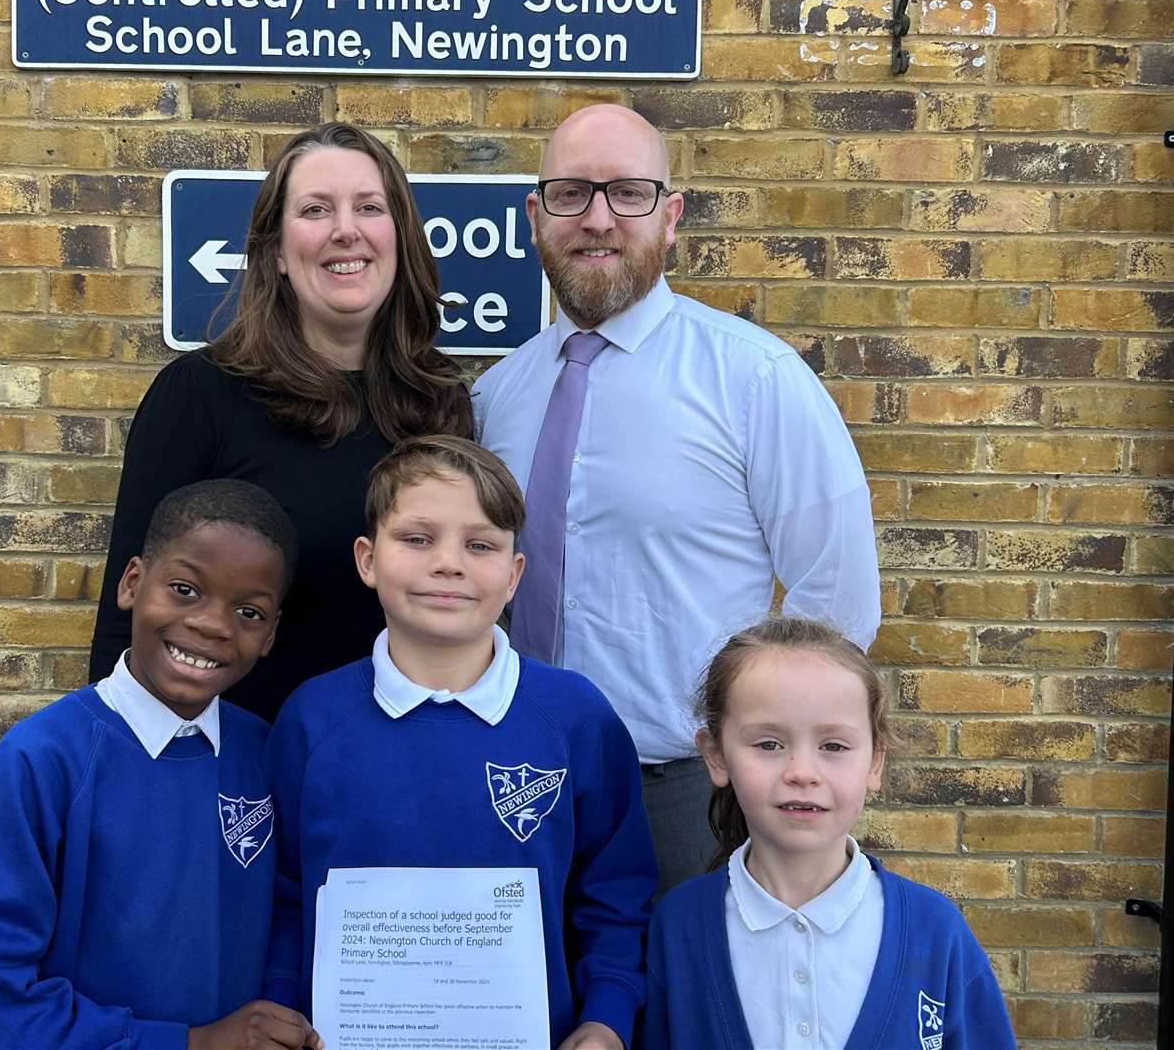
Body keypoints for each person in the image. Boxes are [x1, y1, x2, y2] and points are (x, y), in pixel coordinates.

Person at [472, 104, 881, 893]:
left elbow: (837, 605)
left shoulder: (753, 380)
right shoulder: (499, 395)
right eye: (571, 194)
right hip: (513, 778)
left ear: (670, 213)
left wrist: (756, 754)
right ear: (534, 216)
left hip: (684, 794)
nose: (597, 219)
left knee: (682, 1012)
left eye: (628, 192)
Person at [264, 436, 657, 1050]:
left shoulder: (576, 717)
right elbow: (283, 897)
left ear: (513, 574)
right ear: (368, 560)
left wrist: (606, 1019)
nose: (449, 564)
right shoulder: (312, 719)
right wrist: (280, 1012)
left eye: (480, 545)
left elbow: (615, 893)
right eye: (417, 539)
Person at [89, 122, 474, 721]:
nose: (346, 230)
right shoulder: (201, 394)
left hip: (392, 770)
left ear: (399, 239)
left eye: (369, 208)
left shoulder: (440, 400)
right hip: (230, 777)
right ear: (276, 253)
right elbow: (127, 620)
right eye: (316, 209)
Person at [0, 480, 323, 1050]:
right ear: (132, 583)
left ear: (270, 635)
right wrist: (189, 1043)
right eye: (186, 589)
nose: (214, 625)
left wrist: (275, 1019)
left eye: (248, 611)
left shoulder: (263, 753)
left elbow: (289, 914)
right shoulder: (41, 761)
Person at [641, 617, 1013, 1049]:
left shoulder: (936, 930)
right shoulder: (677, 925)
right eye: (768, 744)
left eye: (833, 746)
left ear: (875, 761)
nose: (802, 772)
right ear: (716, 756)